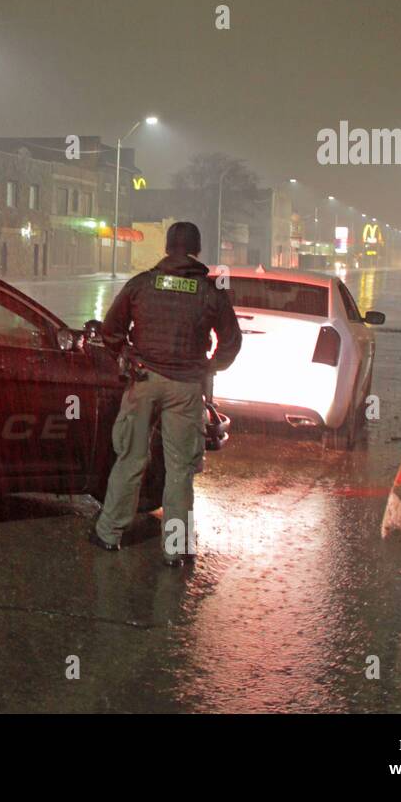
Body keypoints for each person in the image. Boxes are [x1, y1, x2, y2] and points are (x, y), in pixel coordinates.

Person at [90, 221, 242, 563]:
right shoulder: (210, 291)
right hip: (186, 388)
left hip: (143, 381)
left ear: (167, 247)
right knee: (180, 469)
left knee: (130, 457)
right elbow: (231, 342)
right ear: (197, 251)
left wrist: (127, 355)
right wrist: (209, 367)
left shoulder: (141, 284)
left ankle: (109, 533)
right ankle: (175, 549)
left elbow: (111, 330)